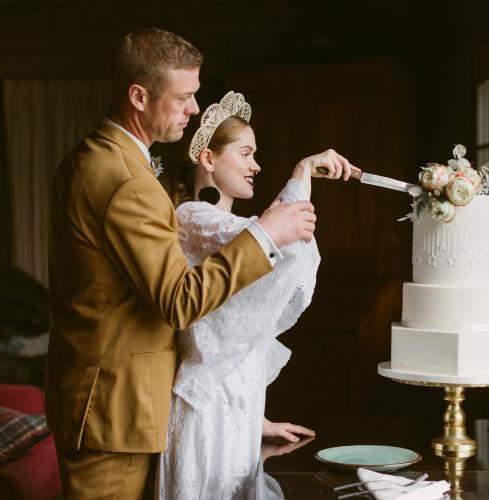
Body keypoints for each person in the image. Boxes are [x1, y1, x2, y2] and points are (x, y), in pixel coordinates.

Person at [45, 29, 319, 500]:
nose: (195, 110)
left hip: (108, 400)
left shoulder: (92, 157)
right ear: (138, 96)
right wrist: (265, 235)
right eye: (185, 97)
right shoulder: (125, 179)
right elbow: (180, 300)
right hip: (116, 409)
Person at [156, 91, 356, 499]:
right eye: (246, 154)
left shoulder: (228, 225)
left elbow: (246, 310)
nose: (255, 165)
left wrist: (258, 422)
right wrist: (302, 171)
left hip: (239, 407)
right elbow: (278, 242)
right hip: (207, 412)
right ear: (208, 160)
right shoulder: (193, 218)